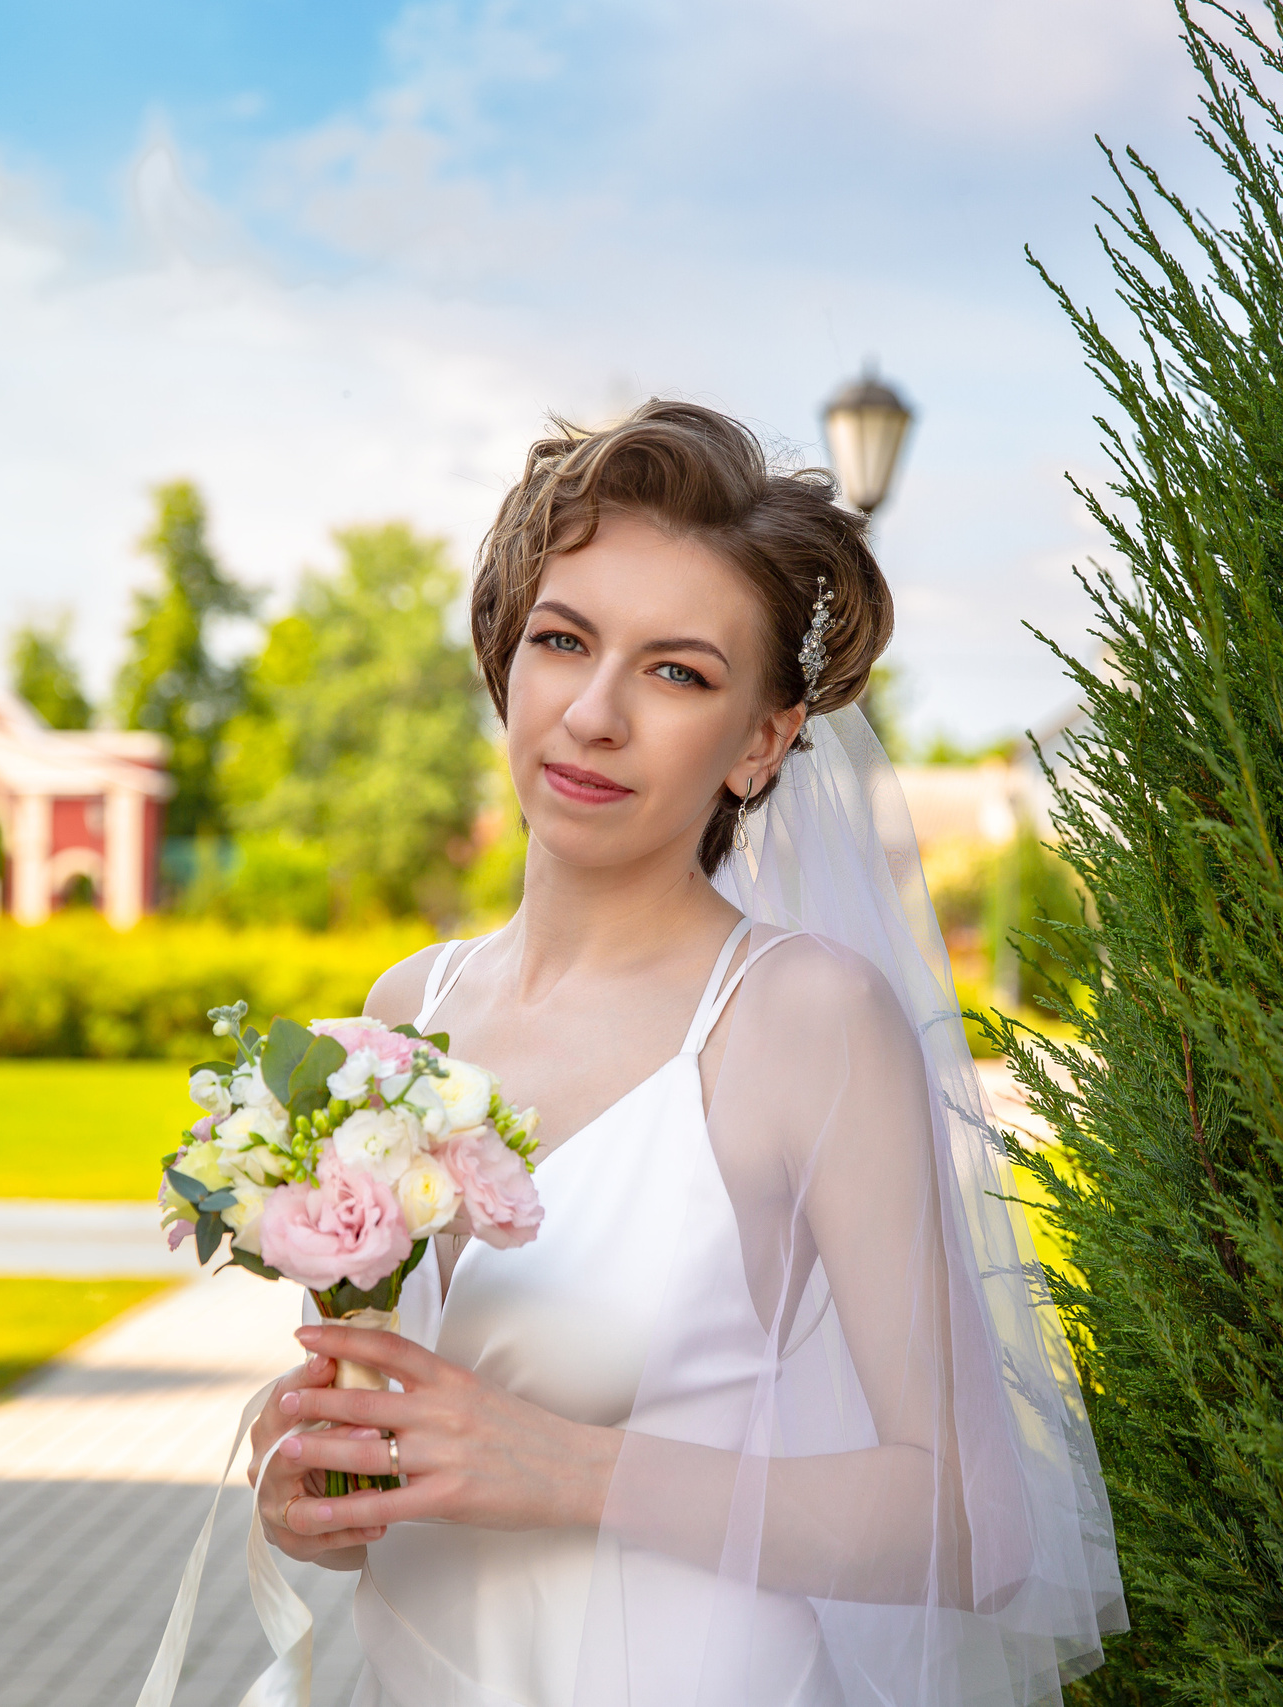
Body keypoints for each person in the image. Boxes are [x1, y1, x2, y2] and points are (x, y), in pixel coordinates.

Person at [242, 401, 1123, 1706]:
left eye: (678, 672)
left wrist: (568, 1470)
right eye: (563, 641)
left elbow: (975, 1524)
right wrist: (308, 1479)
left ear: (762, 743)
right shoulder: (409, 1005)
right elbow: (395, 1411)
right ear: (507, 662)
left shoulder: (803, 1021)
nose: (595, 713)